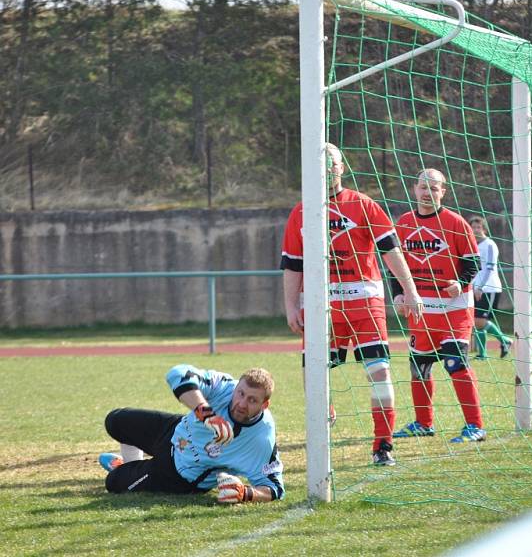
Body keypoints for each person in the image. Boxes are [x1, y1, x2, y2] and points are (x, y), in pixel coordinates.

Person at [281, 143, 423, 467]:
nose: (327, 168)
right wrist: (291, 307)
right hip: (320, 308)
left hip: (364, 303)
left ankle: (383, 445)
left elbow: (390, 250)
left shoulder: (363, 205)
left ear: (342, 167)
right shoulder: (301, 211)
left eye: (332, 162)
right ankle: (323, 422)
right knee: (313, 373)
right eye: (320, 163)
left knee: (380, 371)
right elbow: (292, 264)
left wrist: (410, 290)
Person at [391, 168, 487, 443]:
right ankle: (423, 423)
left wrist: (460, 281)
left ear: (443, 192)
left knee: (455, 362)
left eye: (434, 188)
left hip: (454, 308)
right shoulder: (405, 223)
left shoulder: (456, 223)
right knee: (418, 366)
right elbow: (396, 266)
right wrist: (398, 294)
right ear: (414, 189)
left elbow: (473, 263)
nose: (427, 192)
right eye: (423, 187)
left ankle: (475, 426)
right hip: (421, 309)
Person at [98, 364, 284, 504]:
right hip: (174, 430)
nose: (242, 403)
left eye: (252, 400)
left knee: (112, 482)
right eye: (241, 394)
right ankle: (131, 465)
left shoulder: (262, 437)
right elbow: (177, 373)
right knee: (115, 421)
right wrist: (206, 415)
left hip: (180, 475)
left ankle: (124, 470)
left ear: (264, 405)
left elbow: (275, 488)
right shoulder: (225, 386)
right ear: (236, 388)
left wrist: (245, 493)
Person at [469, 216, 512, 360]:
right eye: (473, 227)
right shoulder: (472, 244)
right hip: (475, 288)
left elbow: (489, 267)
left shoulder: (490, 244)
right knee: (476, 320)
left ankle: (504, 340)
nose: (475, 230)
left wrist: (480, 286)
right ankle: (482, 354)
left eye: (478, 227)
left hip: (489, 288)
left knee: (479, 321)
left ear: (484, 229)